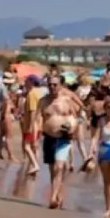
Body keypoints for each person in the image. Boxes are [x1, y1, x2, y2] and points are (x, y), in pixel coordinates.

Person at [34, 75, 78, 209]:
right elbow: (37, 120)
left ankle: (52, 198)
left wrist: (72, 129)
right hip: (49, 137)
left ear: (60, 86)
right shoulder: (43, 101)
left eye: (55, 84)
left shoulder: (67, 101)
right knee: (53, 170)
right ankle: (58, 193)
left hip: (63, 137)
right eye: (50, 84)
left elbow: (75, 118)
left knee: (59, 167)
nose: (52, 87)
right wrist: (36, 137)